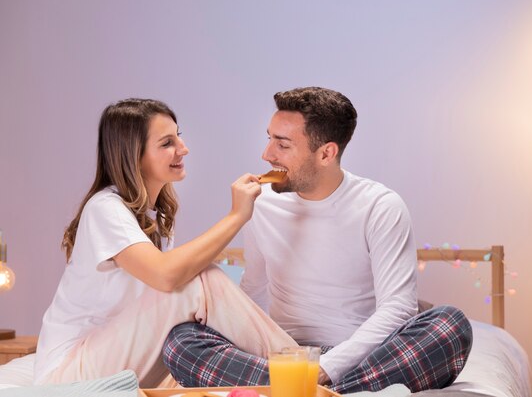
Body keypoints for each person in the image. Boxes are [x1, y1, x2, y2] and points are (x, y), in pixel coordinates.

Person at [163, 87, 473, 393]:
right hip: (280, 356)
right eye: (269, 138)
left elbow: (398, 309)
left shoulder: (380, 206)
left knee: (449, 325)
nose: (266, 154)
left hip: (358, 357)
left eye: (282, 145)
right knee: (182, 340)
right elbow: (254, 290)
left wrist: (324, 369)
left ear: (326, 153)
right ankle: (317, 390)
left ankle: (308, 390)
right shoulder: (261, 203)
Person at [34, 98, 297, 387]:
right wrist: (236, 217)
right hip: (68, 374)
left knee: (196, 347)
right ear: (133, 155)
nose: (183, 149)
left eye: (178, 138)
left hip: (118, 355)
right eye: (166, 143)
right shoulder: (104, 208)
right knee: (202, 278)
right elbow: (166, 275)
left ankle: (294, 371)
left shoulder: (155, 216)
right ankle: (305, 367)